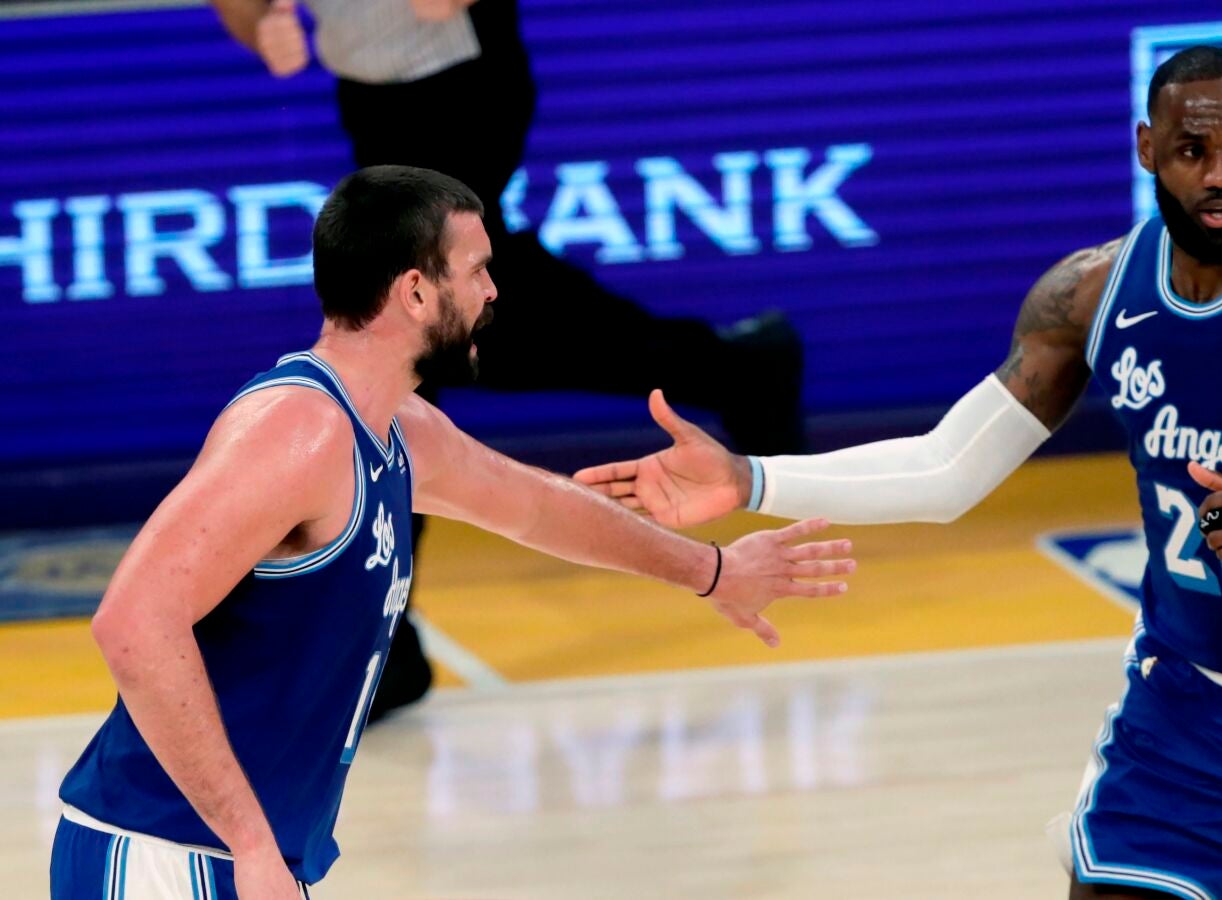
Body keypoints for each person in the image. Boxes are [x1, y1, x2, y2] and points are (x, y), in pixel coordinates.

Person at [575, 46, 1222, 899]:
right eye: (1193, 151)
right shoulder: (1092, 295)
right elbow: (948, 468)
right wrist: (749, 479)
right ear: (1148, 150)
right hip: (1186, 701)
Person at [49, 166, 851, 900]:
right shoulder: (299, 430)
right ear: (415, 292)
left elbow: (538, 507)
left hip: (231, 856)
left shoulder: (399, 428)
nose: (494, 292)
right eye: (476, 270)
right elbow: (133, 622)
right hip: (164, 853)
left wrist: (712, 571)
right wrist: (249, 843)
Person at [209, 0, 809, 719]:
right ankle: (740, 370)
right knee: (476, 326)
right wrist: (260, 21)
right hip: (370, 93)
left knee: (411, 332)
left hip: (458, 77)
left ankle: (381, 646)